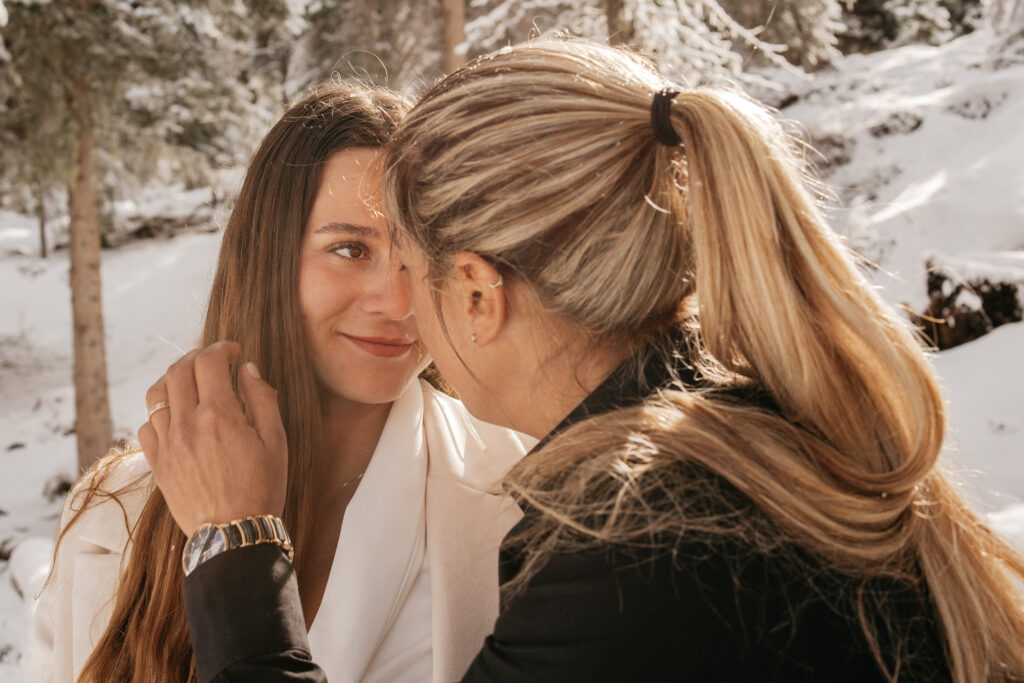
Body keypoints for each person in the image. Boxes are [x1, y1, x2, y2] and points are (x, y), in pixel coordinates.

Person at [141, 38, 1024, 682]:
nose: (398, 306)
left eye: (409, 268)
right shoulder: (748, 438)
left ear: (480, 294)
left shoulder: (637, 546)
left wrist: (234, 541)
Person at [30, 82, 532, 683]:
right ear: (269, 254)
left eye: (422, 260)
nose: (399, 302)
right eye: (350, 249)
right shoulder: (111, 507)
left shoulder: (523, 501)